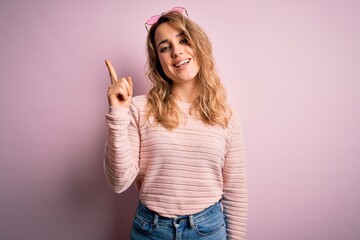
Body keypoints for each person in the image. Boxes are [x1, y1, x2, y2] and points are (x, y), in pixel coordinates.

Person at [104, 7, 248, 240]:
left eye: (183, 40)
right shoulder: (138, 108)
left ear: (198, 45)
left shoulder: (228, 116)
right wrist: (118, 114)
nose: (176, 52)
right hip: (150, 231)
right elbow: (119, 183)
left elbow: (235, 192)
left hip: (208, 231)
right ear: (158, 61)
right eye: (165, 47)